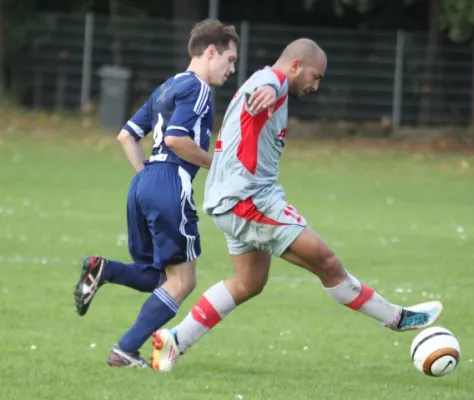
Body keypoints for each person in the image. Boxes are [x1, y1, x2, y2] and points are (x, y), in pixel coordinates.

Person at [150, 38, 443, 372]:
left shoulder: (270, 82)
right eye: (314, 77)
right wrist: (274, 89)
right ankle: (396, 318)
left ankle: (176, 339)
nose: (316, 86)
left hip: (231, 199)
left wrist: (277, 91)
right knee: (328, 263)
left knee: (248, 283)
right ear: (295, 66)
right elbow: (266, 88)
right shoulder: (269, 82)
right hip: (249, 200)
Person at [73, 19, 239, 367]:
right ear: (211, 52)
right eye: (230, 59)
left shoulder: (165, 86)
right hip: (168, 182)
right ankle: (125, 349)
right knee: (183, 280)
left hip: (143, 183)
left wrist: (148, 178)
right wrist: (218, 165)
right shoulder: (199, 89)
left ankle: (103, 269)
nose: (232, 69)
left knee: (156, 276)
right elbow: (178, 139)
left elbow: (126, 135)